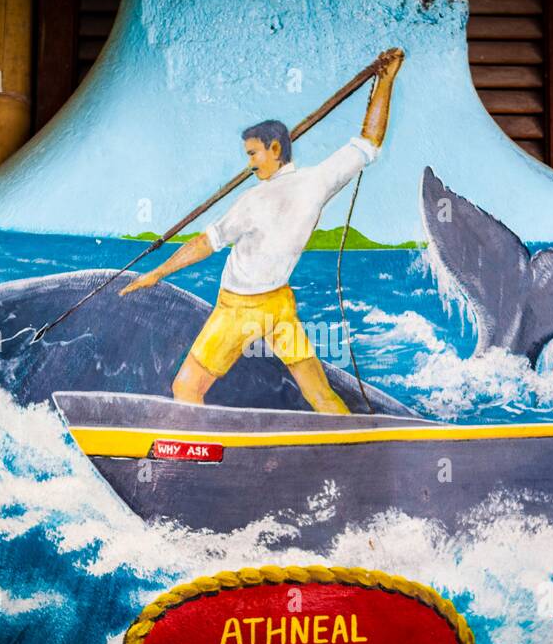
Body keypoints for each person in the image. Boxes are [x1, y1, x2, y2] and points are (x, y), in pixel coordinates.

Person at [119, 47, 405, 413]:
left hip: (238, 308)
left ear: (274, 148)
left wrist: (156, 273)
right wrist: (386, 80)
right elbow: (369, 142)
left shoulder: (254, 201)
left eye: (253, 154)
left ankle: (205, 458)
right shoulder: (316, 182)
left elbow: (207, 242)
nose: (250, 164)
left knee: (187, 387)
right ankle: (351, 442)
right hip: (278, 306)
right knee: (319, 395)